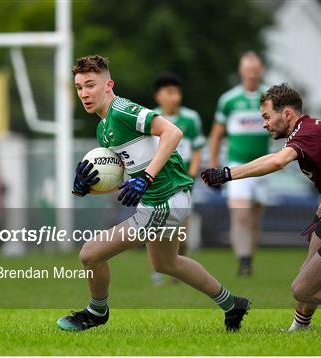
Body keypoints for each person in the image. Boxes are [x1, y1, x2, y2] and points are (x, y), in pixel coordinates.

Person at [56, 55, 250, 332]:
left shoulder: (122, 110)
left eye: (90, 85)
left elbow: (173, 132)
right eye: (79, 88)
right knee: (166, 263)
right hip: (159, 199)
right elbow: (123, 181)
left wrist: (146, 178)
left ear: (108, 84)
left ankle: (96, 312)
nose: (84, 93)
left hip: (165, 200)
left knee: (90, 254)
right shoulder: (103, 129)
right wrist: (86, 190)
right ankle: (233, 304)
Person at [201, 83, 321, 331]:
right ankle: (301, 326)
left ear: (286, 114)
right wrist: (319, 217)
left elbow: (276, 161)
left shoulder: (306, 134)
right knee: (308, 274)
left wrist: (227, 174)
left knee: (302, 288)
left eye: (266, 116)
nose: (264, 124)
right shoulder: (314, 129)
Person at [208, 51, 269, 276]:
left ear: (260, 70)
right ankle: (243, 261)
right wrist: (214, 165)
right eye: (248, 69)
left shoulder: (269, 96)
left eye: (255, 69)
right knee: (241, 214)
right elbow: (217, 134)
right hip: (236, 165)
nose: (252, 74)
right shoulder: (229, 99)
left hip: (264, 165)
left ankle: (249, 258)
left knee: (255, 218)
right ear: (241, 71)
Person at [150, 72, 206, 285]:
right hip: (160, 181)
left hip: (183, 181)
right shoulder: (151, 118)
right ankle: (159, 268)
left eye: (177, 92)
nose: (175, 97)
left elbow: (198, 146)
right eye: (170, 92)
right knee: (155, 225)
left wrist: (192, 172)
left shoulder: (190, 118)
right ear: (159, 96)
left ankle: (177, 266)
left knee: (181, 229)